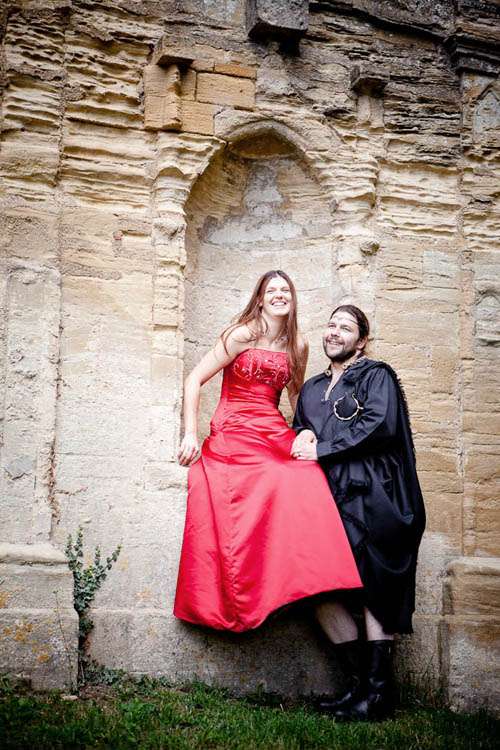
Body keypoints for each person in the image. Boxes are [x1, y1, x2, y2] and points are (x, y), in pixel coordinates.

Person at [174, 272, 362, 633]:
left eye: (285, 290)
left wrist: (306, 430)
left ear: (293, 297)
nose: (279, 295)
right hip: (234, 426)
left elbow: (296, 396)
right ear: (260, 299)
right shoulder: (240, 334)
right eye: (271, 290)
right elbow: (194, 379)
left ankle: (314, 573)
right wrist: (190, 434)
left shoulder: (299, 345)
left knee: (307, 473)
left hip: (272, 428)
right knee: (273, 476)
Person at [292, 304, 425, 721]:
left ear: (362, 341)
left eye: (346, 328)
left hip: (374, 496)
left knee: (373, 589)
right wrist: (304, 433)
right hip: (326, 500)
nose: (335, 332)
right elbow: (300, 428)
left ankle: (378, 695)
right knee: (318, 589)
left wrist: (322, 449)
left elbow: (380, 425)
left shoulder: (376, 375)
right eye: (331, 325)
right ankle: (359, 688)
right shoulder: (312, 388)